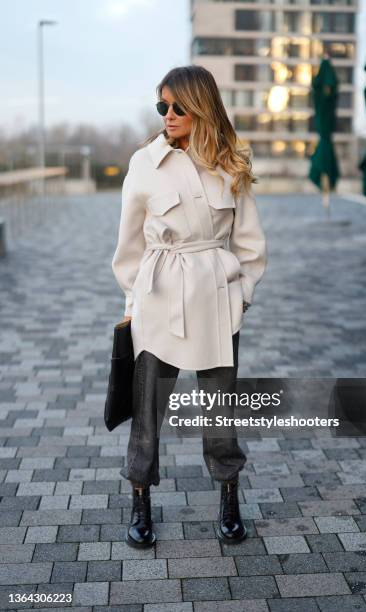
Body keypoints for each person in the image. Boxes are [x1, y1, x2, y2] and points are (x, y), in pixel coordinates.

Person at [111, 65, 267, 548]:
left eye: (178, 106)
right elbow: (130, 244)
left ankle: (229, 495)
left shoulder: (231, 160)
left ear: (201, 107)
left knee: (220, 411)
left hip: (217, 302)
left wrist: (240, 295)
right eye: (162, 106)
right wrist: (133, 304)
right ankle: (140, 499)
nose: (168, 115)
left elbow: (250, 243)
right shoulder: (144, 163)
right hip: (158, 300)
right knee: (148, 409)